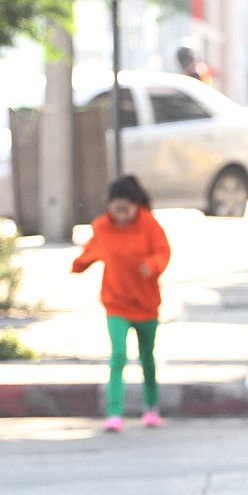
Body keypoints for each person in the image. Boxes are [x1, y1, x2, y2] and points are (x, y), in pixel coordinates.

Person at [72, 175, 171, 433]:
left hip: (146, 304)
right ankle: (114, 412)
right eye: (116, 210)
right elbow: (93, 251)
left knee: (147, 358)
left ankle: (151, 408)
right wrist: (78, 265)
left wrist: (152, 265)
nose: (121, 216)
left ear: (136, 205)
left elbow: (163, 252)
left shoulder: (149, 225)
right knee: (118, 356)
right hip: (116, 303)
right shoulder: (103, 227)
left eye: (126, 210)